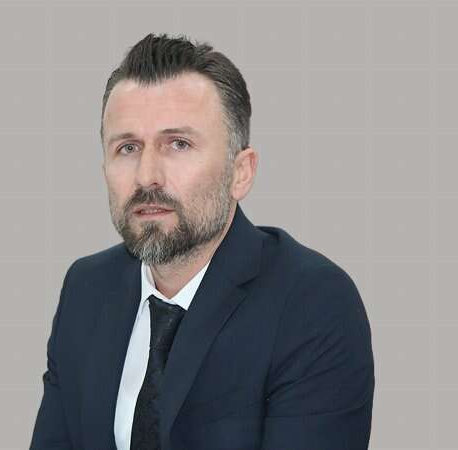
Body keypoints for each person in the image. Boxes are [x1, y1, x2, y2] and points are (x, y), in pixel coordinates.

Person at [29, 33, 374, 450]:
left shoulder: (313, 303)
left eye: (178, 144)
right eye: (127, 147)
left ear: (241, 173)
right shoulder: (86, 288)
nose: (147, 176)